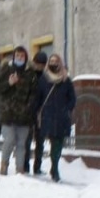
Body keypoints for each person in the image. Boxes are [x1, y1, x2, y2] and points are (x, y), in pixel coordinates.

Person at [32, 52, 77, 181]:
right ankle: (54, 169)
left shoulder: (66, 80)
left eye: (56, 61)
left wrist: (67, 109)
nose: (53, 63)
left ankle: (54, 166)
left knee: (58, 143)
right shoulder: (44, 79)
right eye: (51, 61)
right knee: (52, 141)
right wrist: (36, 111)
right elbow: (38, 97)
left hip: (62, 117)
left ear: (60, 63)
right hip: (48, 116)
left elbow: (72, 98)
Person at [0, 45, 38, 175]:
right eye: (18, 56)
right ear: (14, 57)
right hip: (8, 113)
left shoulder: (30, 73)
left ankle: (20, 170)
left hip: (24, 115)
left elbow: (34, 93)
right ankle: (4, 166)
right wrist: (9, 83)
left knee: (21, 143)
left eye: (22, 56)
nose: (20, 58)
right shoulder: (6, 69)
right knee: (9, 140)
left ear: (25, 58)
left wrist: (28, 106)